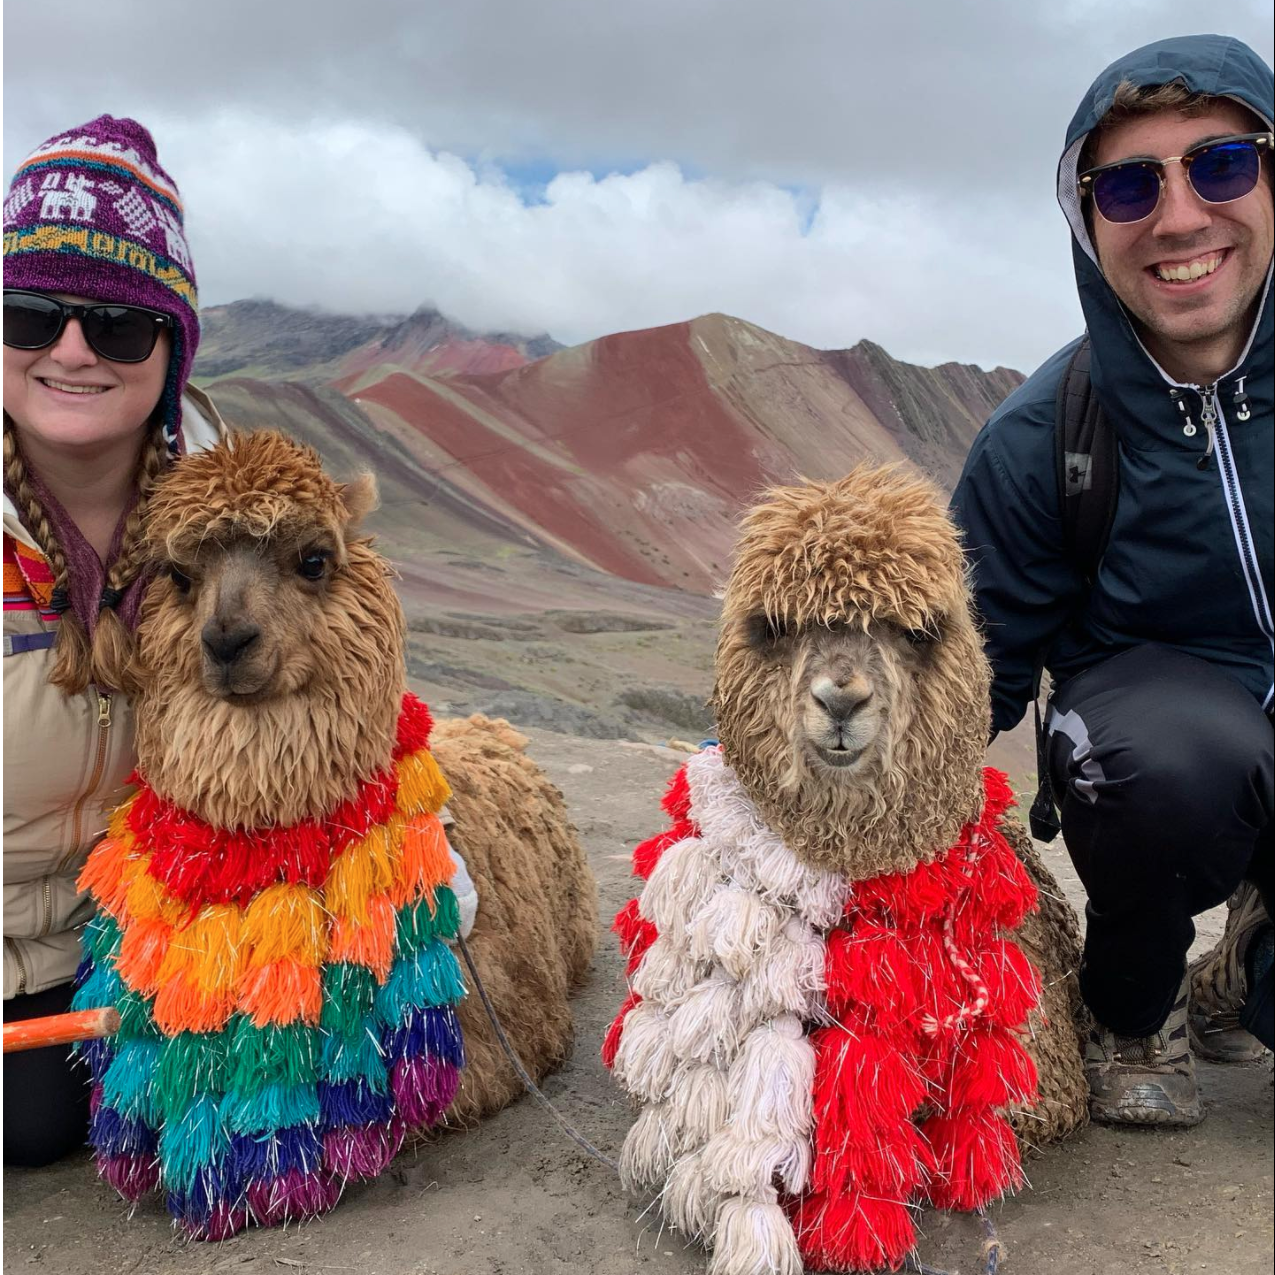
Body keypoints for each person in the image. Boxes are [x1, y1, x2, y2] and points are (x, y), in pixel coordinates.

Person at [953, 34, 1273, 1128]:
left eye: (1221, 165)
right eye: (1129, 185)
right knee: (1162, 764)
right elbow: (960, 681)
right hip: (1162, 751)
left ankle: (1248, 974)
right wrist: (775, 780)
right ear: (1090, 225)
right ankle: (1135, 1008)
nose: (1181, 218)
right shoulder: (1047, 436)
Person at [3, 115, 226, 1165]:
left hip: (156, 937)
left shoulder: (239, 525)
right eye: (30, 313)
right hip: (18, 970)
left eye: (119, 328)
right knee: (36, 1121)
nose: (73, 351)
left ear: (172, 350)